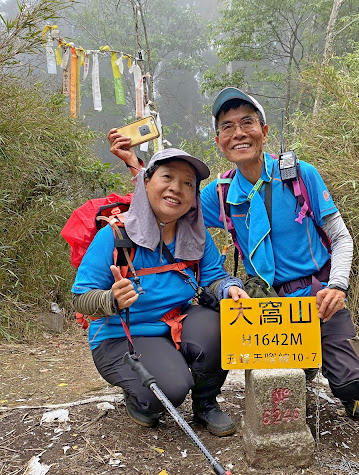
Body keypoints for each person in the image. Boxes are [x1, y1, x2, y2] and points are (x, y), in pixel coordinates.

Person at [200, 87, 359, 420]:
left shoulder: (298, 175)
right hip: (264, 299)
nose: (238, 133)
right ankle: (304, 359)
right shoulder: (219, 194)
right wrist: (138, 169)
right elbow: (172, 208)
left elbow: (340, 236)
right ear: (220, 140)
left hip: (315, 293)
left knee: (354, 386)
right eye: (227, 126)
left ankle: (342, 358)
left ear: (264, 133)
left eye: (247, 122)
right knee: (273, 373)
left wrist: (337, 285)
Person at [72, 146, 248, 436]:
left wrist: (229, 288)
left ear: (193, 196)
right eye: (167, 177)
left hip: (175, 322)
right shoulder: (115, 236)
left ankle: (205, 405)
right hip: (122, 335)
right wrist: (111, 299)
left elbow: (215, 278)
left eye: (188, 183)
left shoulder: (195, 236)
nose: (176, 188)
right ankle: (140, 399)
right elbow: (81, 297)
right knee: (170, 390)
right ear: (145, 182)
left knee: (219, 323)